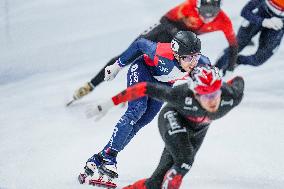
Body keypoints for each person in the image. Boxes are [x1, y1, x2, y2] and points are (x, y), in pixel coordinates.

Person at [78, 31, 211, 185]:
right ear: (175, 54)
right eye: (187, 58)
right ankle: (110, 156)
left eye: (195, 56)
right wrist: (117, 65)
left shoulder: (202, 64)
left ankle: (101, 156)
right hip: (142, 70)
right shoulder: (161, 51)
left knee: (143, 120)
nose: (192, 62)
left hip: (162, 84)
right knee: (137, 110)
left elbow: (213, 77)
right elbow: (140, 44)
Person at [85, 65, 244, 189]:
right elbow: (144, 88)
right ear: (195, 93)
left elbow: (238, 80)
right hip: (173, 118)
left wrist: (223, 80)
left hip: (198, 129)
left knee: (155, 183)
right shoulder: (181, 95)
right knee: (185, 160)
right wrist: (109, 103)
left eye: (216, 93)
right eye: (206, 95)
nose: (213, 100)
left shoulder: (231, 96)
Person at [71, 0, 238, 102]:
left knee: (166, 66)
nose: (207, 17)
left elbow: (233, 46)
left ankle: (137, 89)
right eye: (203, 13)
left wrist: (230, 68)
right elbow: (164, 20)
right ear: (198, 6)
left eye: (212, 14)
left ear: (220, 10)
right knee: (129, 55)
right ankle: (91, 85)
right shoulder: (188, 5)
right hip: (163, 31)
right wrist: (177, 35)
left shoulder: (224, 21)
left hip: (182, 41)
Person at [216, 0, 284, 73]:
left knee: (258, 60)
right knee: (237, 46)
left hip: (278, 24)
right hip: (261, 12)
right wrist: (263, 21)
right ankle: (214, 69)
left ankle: (236, 62)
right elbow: (244, 12)